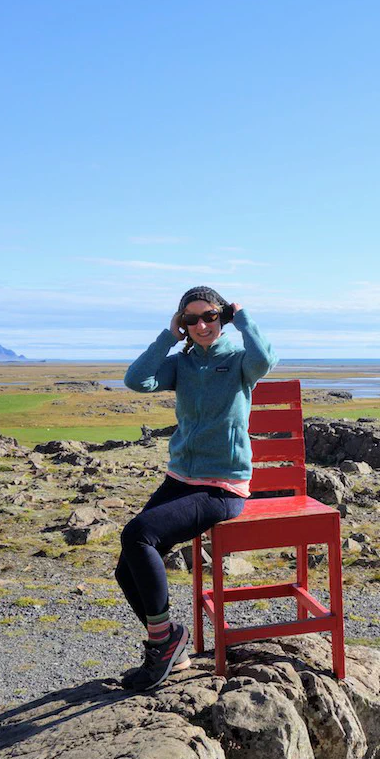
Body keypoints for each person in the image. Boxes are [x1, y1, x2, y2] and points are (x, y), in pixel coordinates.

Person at [116, 286, 278, 690]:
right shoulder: (181, 364)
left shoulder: (240, 362)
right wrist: (168, 337)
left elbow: (266, 359)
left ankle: (163, 645)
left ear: (221, 318)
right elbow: (137, 380)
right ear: (183, 323)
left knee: (139, 537)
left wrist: (243, 319)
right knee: (126, 569)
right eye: (191, 319)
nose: (201, 325)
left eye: (209, 316)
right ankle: (172, 643)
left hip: (222, 487)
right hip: (181, 480)